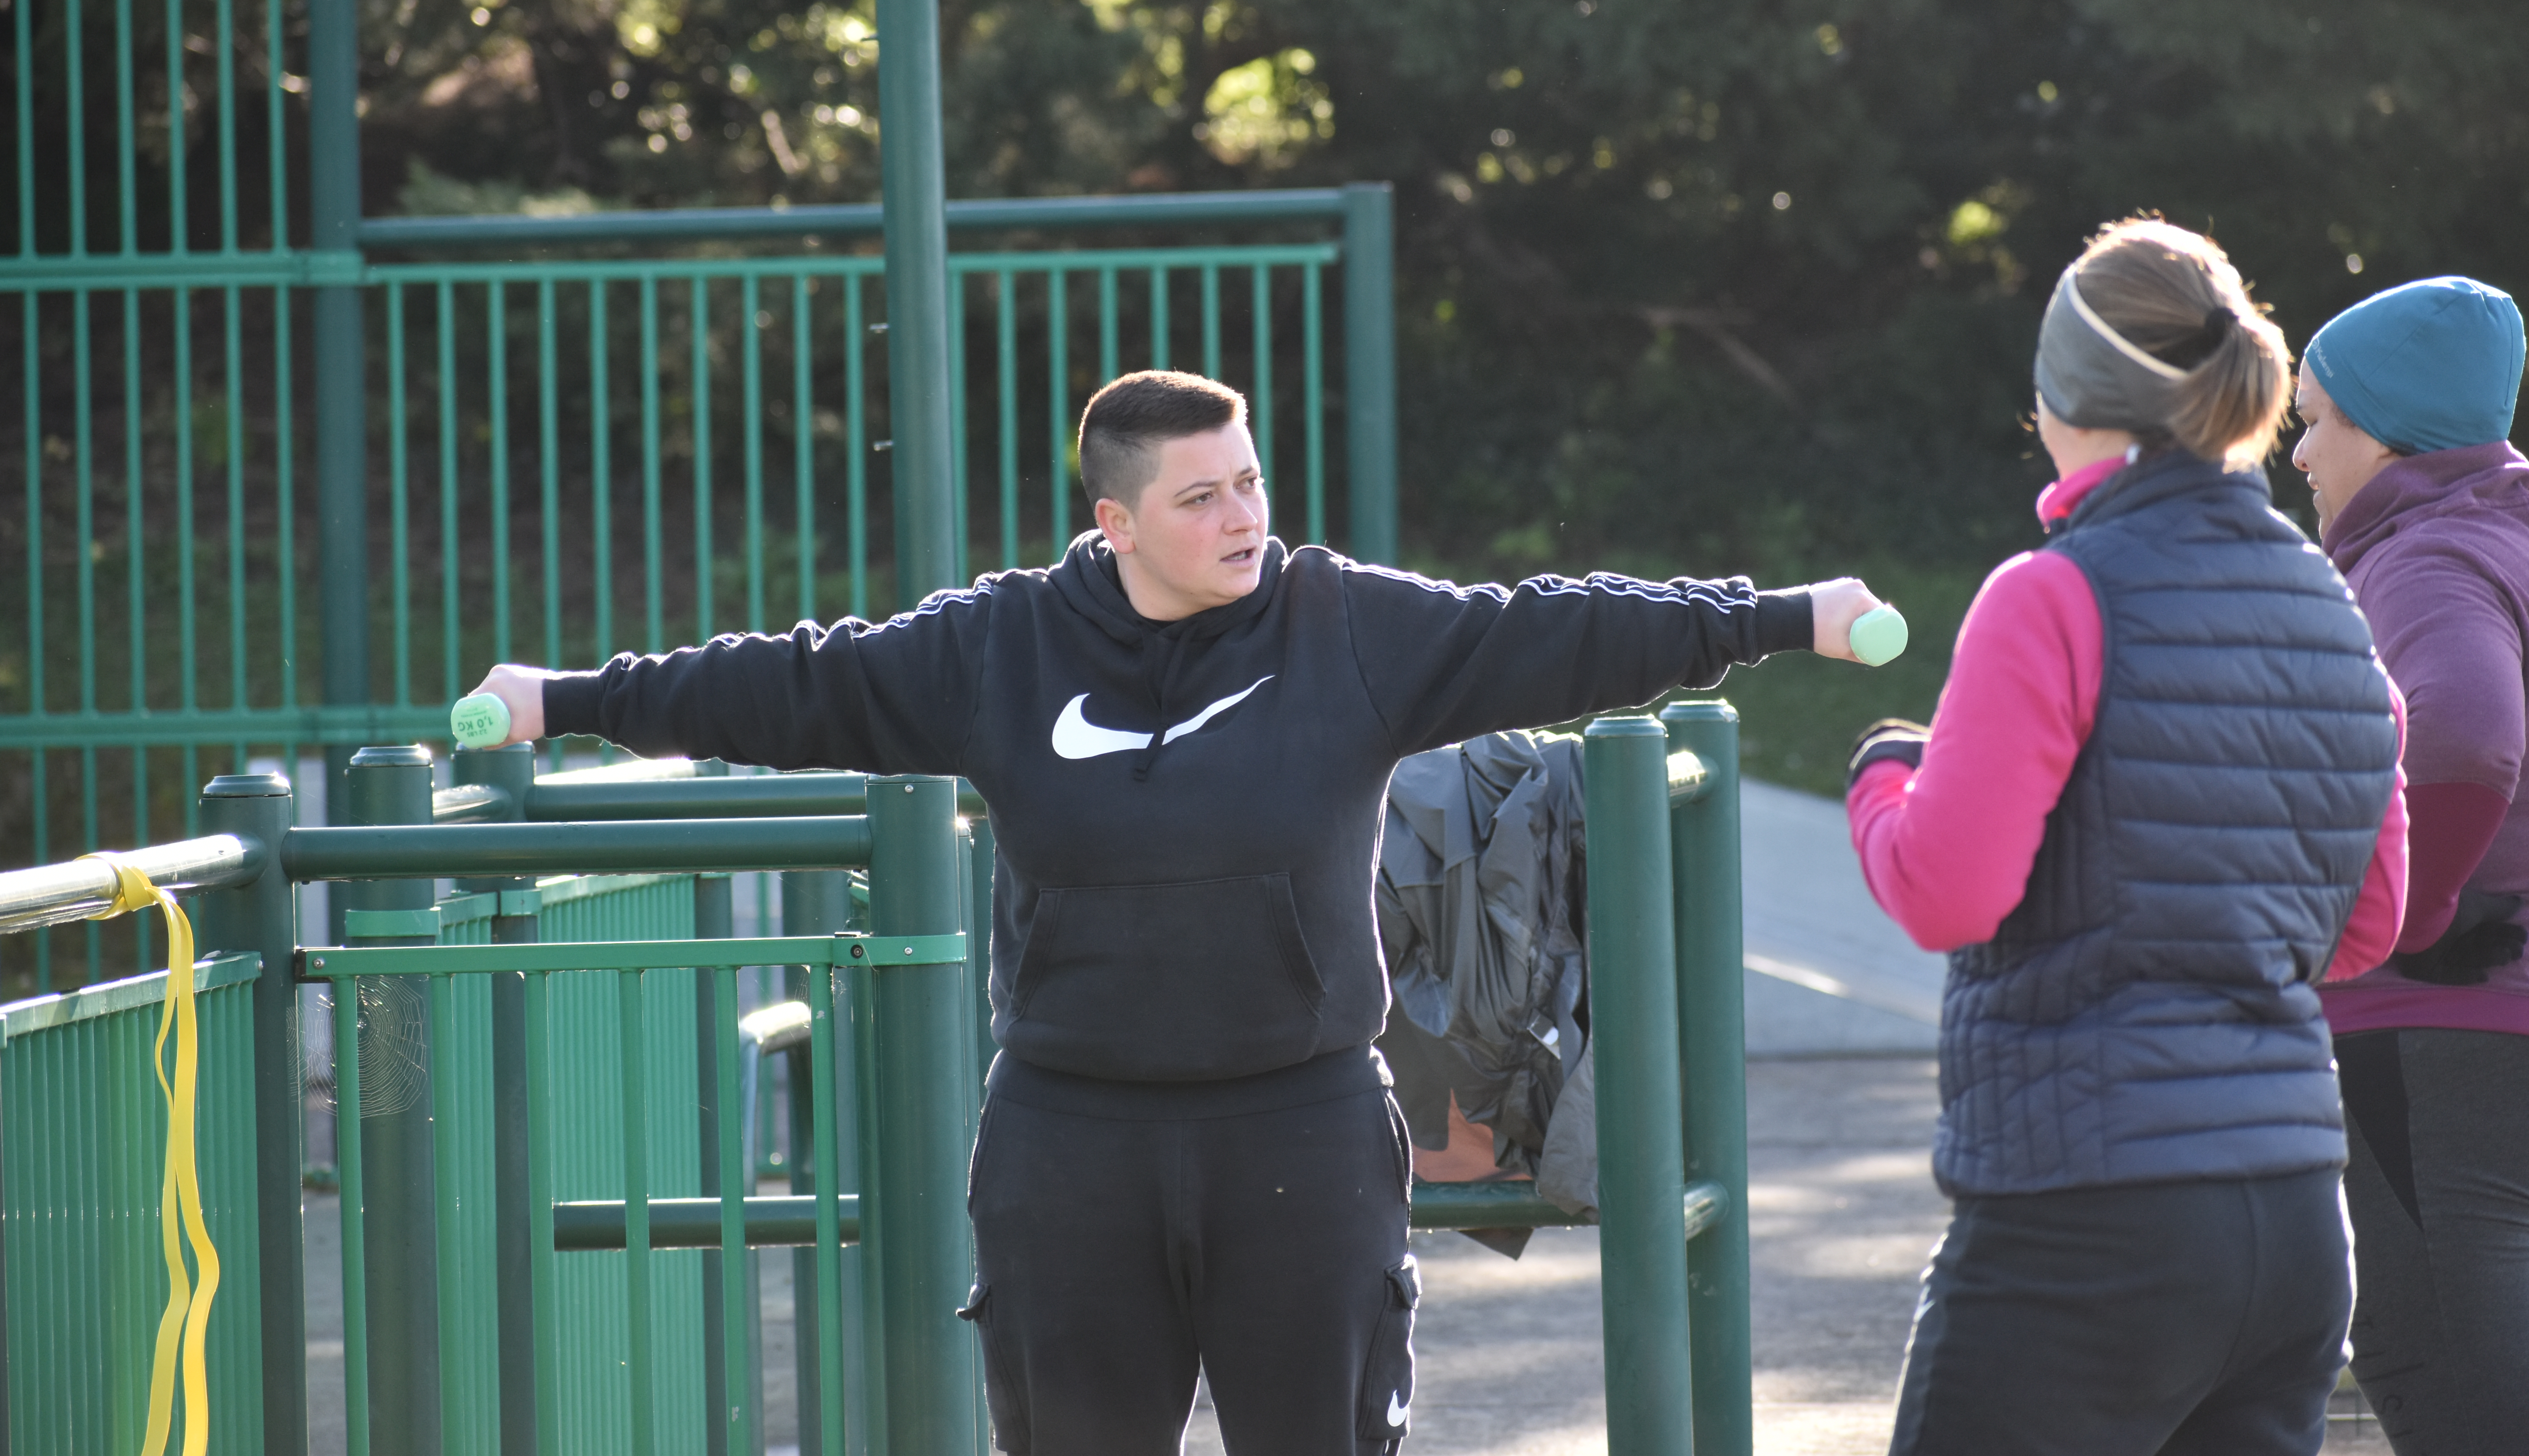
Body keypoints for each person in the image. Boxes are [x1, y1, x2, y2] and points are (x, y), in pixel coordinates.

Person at [467, 368, 1886, 1456]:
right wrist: (575, 702)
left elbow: (1555, 625)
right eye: (1202, 497)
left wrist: (1778, 615)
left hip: (1300, 1126)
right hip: (1072, 1140)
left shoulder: (1342, 626)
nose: (1245, 518)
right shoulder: (1004, 647)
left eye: (1252, 483)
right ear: (1117, 521)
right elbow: (791, 680)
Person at [1843, 219, 2410, 1456]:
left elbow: (1947, 894)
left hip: (2086, 1215)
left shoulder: (2051, 594)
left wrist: (1884, 780)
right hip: (2296, 1224)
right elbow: (2365, 929)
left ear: (2066, 398)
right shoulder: (2336, 612)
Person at [2291, 275, 2529, 1456]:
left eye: (2318, 418)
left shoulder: (2422, 559)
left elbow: (2470, 731)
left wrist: (2408, 918)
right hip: (2500, 1014)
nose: (2298, 451)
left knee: (2423, 1340)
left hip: (2442, 1017)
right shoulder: (2506, 532)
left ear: (2386, 435)